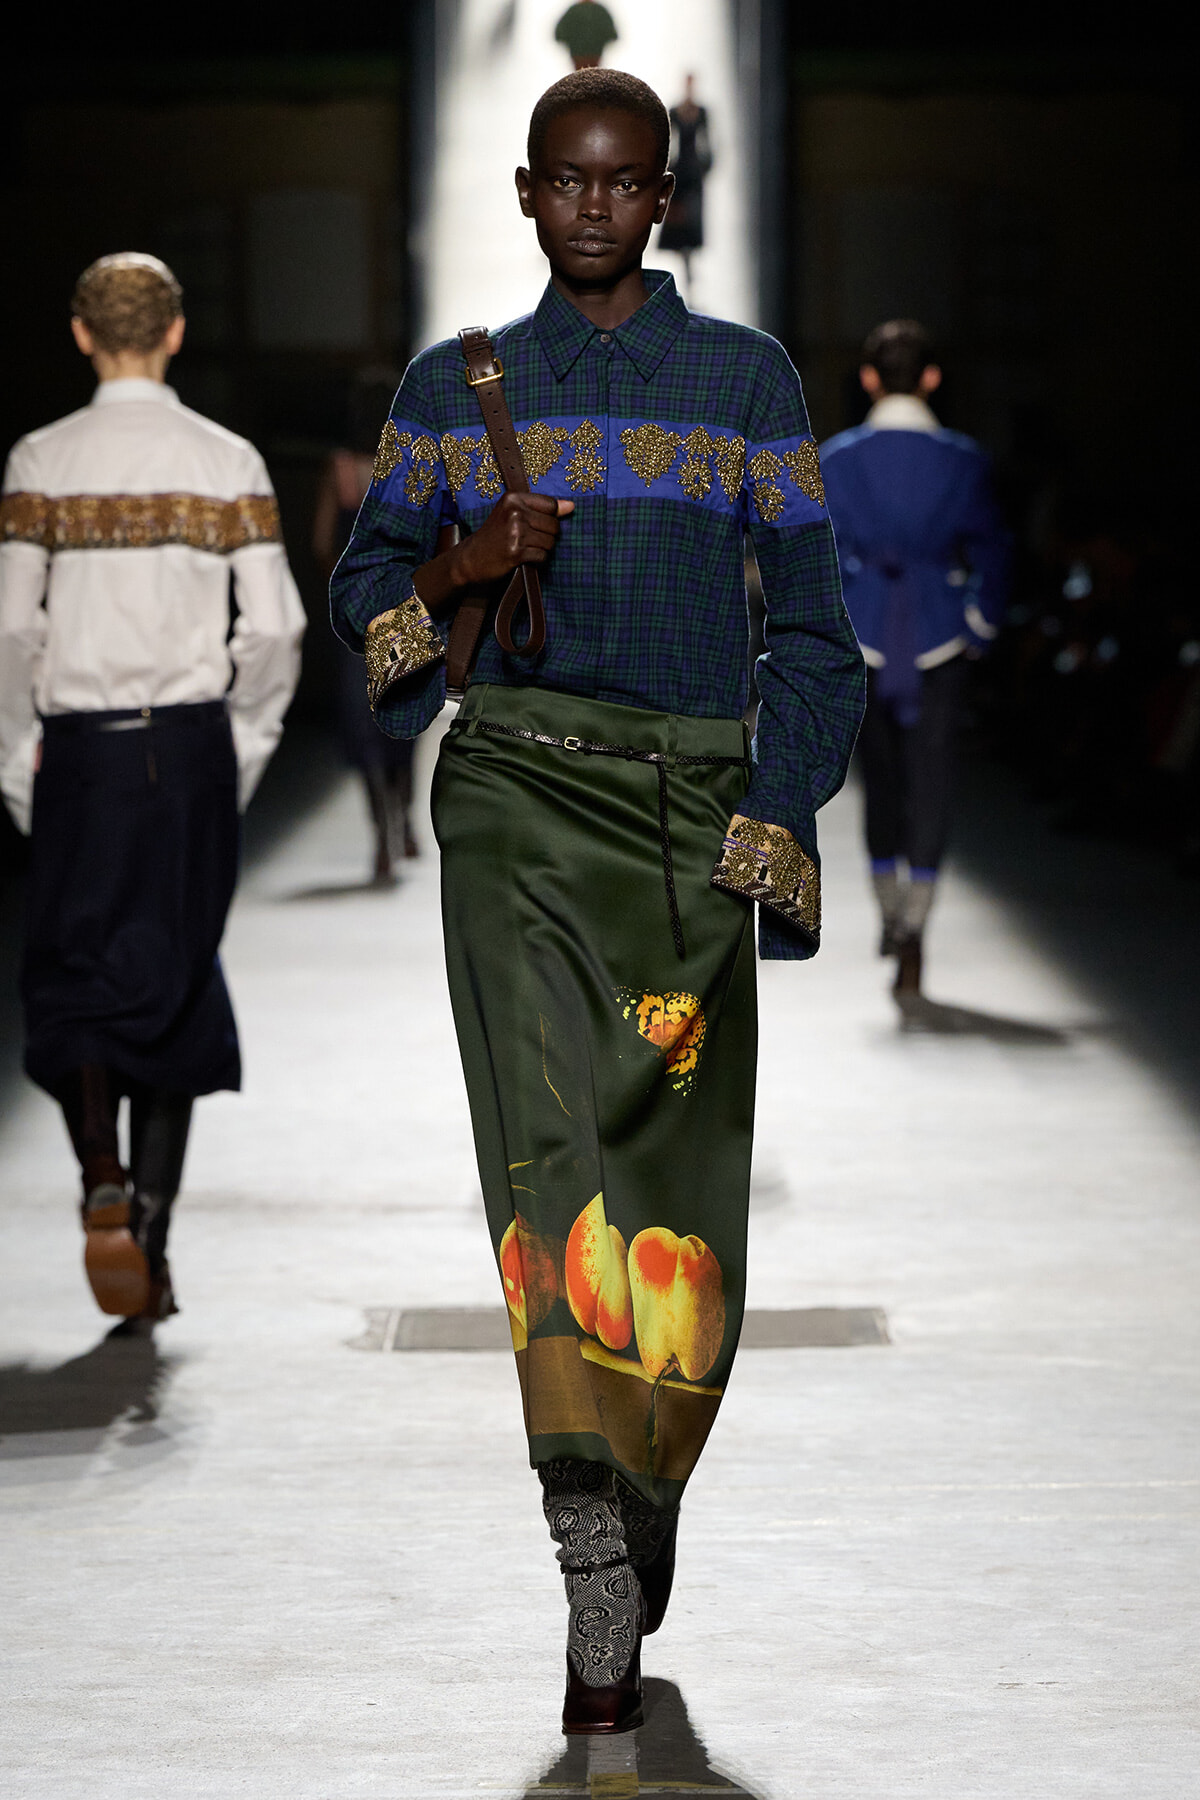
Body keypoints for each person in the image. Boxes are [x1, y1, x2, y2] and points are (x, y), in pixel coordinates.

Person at [331, 70, 862, 1734]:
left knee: (680, 1187)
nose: (594, 207)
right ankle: (584, 1529)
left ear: (665, 196)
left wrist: (774, 809)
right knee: (544, 1159)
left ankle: (645, 1477)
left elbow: (817, 629)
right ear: (525, 191)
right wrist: (461, 564)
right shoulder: (456, 384)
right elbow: (369, 607)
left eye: (625, 183)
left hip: (691, 809)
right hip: (511, 799)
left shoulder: (748, 379)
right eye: (566, 180)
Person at [0, 253, 305, 1329]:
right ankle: (155, 1245)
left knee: (75, 970)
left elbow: (12, 629)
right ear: (175, 332)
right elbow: (274, 629)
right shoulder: (226, 460)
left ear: (82, 335)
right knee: (175, 974)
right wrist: (241, 745)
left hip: (79, 751)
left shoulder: (41, 460)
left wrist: (18, 758)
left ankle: (100, 1167)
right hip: (187, 747)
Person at [821, 319, 1009, 999]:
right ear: (932, 378)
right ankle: (915, 927)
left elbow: (819, 555)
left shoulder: (835, 459)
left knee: (881, 781)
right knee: (932, 783)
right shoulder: (964, 460)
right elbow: (993, 549)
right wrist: (978, 622)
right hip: (939, 631)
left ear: (868, 379)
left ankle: (889, 910)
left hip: (864, 630)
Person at [312, 369, 418, 880]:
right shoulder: (410, 462)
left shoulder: (339, 470)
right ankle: (405, 818)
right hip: (406, 608)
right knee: (403, 721)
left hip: (358, 613)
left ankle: (382, 837)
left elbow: (320, 543)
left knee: (363, 725)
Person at [657, 75, 713, 295]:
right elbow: (670, 142)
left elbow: (706, 143)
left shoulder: (701, 113)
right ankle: (684, 265)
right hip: (681, 172)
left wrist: (705, 166)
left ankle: (688, 265)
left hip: (692, 174)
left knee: (690, 221)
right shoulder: (676, 111)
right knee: (680, 223)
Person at [554, 0, 618, 69]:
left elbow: (559, 34)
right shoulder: (600, 10)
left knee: (581, 73)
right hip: (594, 54)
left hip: (578, 54)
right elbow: (612, 34)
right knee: (593, 73)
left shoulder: (573, 10)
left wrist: (572, 43)